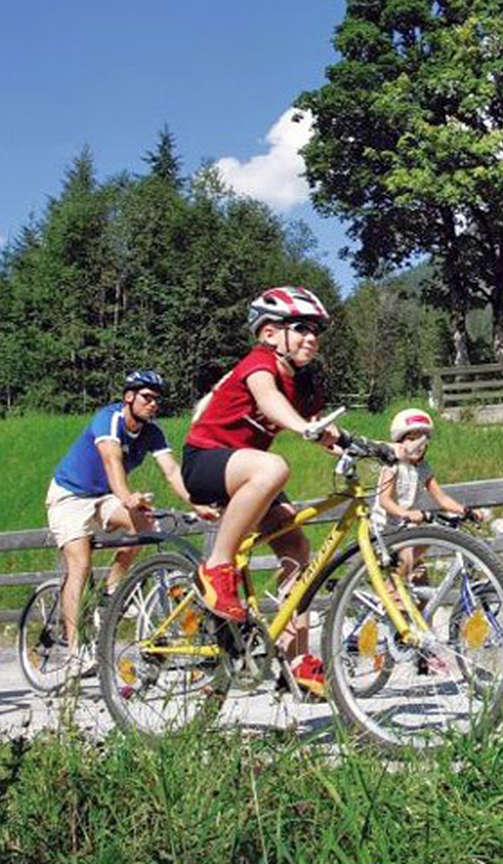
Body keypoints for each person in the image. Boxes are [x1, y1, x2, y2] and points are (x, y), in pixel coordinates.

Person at [181, 285, 340, 697]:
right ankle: (217, 567)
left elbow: (325, 429)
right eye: (301, 328)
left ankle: (296, 656)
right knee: (275, 467)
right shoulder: (259, 364)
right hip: (206, 462)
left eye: (315, 331)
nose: (311, 338)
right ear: (270, 333)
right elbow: (270, 403)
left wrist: (375, 448)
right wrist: (303, 427)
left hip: (249, 472)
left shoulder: (303, 383)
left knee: (298, 549)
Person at [46, 369, 213, 663]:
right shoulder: (109, 419)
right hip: (70, 496)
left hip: (104, 497)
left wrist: (197, 502)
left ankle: (111, 591)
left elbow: (172, 471)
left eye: (157, 399)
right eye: (147, 397)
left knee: (146, 526)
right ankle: (75, 652)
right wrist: (126, 497)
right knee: (80, 564)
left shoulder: (152, 432)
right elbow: (111, 460)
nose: (153, 404)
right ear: (129, 397)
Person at [372, 408, 483, 573]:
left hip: (407, 528)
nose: (418, 446)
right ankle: (392, 592)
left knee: (420, 572)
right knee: (405, 562)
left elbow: (442, 499)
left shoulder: (423, 468)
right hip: (385, 529)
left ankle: (405, 590)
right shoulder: (393, 465)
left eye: (422, 441)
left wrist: (465, 511)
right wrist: (406, 513)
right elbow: (384, 500)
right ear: (400, 442)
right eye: (411, 439)